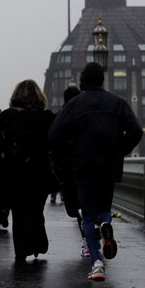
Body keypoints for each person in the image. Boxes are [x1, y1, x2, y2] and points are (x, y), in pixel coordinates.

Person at [48, 62, 142, 282]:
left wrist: (68, 155)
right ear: (102, 80)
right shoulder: (117, 103)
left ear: (82, 81)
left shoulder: (75, 104)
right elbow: (136, 130)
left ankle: (97, 263)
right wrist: (121, 150)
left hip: (83, 166)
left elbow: (53, 136)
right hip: (109, 166)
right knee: (104, 208)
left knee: (88, 216)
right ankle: (107, 223)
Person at [0, 79, 56, 263]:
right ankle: (38, 242)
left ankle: (22, 250)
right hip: (39, 172)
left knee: (19, 211)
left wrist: (0, 167)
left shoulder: (7, 116)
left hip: (13, 173)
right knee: (36, 209)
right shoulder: (47, 117)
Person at [53, 83, 89, 257]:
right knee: (92, 202)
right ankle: (100, 227)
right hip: (91, 164)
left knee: (76, 207)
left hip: (69, 168)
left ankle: (88, 238)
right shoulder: (88, 114)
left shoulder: (61, 116)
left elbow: (52, 140)